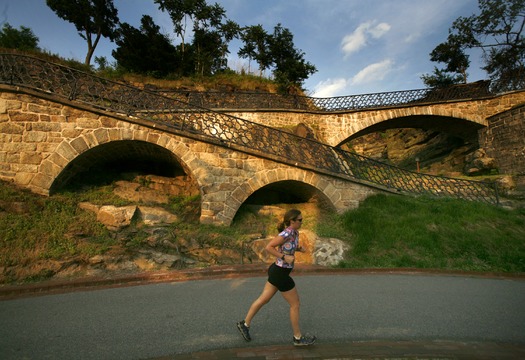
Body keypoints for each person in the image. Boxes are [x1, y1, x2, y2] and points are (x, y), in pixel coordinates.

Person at [237, 209, 316, 346]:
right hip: (280, 273)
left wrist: (298, 249)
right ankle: (298, 338)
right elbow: (269, 247)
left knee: (263, 299)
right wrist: (284, 257)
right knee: (295, 304)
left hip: (277, 272)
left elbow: (287, 247)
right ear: (292, 221)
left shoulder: (294, 232)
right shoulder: (287, 232)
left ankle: (244, 324)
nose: (302, 222)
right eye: (300, 220)